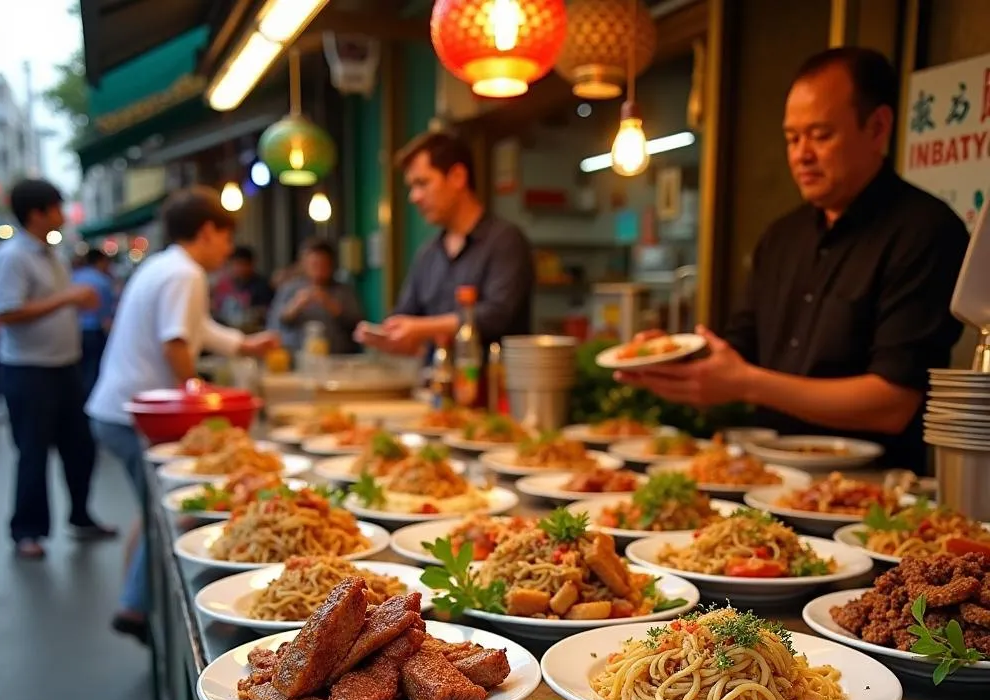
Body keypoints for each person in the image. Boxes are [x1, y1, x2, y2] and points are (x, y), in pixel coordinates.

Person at [619, 47, 970, 474]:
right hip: (762, 477)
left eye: (820, 135)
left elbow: (892, 402)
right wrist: (668, 359)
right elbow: (739, 354)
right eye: (792, 137)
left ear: (878, 128)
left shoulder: (925, 230)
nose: (801, 154)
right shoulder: (781, 237)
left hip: (872, 493)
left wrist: (749, 384)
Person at [86, 186, 278, 644]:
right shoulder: (185, 273)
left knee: (150, 509)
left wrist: (242, 344)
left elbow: (196, 328)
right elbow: (177, 340)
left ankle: (133, 599)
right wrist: (198, 392)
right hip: (137, 413)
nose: (229, 249)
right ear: (208, 231)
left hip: (118, 407)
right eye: (227, 237)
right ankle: (134, 608)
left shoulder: (165, 265)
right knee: (164, 515)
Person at [0, 179, 117, 560]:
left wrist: (74, 302)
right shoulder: (13, 257)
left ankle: (81, 515)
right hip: (28, 370)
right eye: (57, 207)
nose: (63, 214)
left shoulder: (52, 255)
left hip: (64, 366)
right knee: (33, 453)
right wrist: (68, 298)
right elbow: (7, 311)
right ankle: (27, 531)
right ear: (37, 213)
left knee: (80, 446)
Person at [354, 130, 534, 356]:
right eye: (412, 187)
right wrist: (389, 335)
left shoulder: (505, 240)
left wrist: (421, 328)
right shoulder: (428, 253)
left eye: (422, 183)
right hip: (435, 386)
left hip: (493, 386)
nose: (414, 197)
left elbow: (496, 315)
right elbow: (406, 314)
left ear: (458, 176)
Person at [268, 239, 362, 355]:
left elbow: (358, 327)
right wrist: (296, 305)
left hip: (339, 357)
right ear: (304, 264)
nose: (318, 269)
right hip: (295, 357)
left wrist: (331, 305)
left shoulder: (344, 291)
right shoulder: (289, 289)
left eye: (323, 264)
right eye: (314, 264)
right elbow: (274, 325)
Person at [71, 247, 116, 399]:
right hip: (94, 332)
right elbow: (106, 314)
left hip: (73, 331)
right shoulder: (103, 281)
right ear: (101, 261)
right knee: (93, 370)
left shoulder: (74, 276)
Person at [212, 244, 274, 330]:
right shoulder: (222, 284)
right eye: (235, 264)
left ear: (251, 265)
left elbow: (267, 312)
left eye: (242, 264)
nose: (238, 269)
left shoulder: (261, 286)